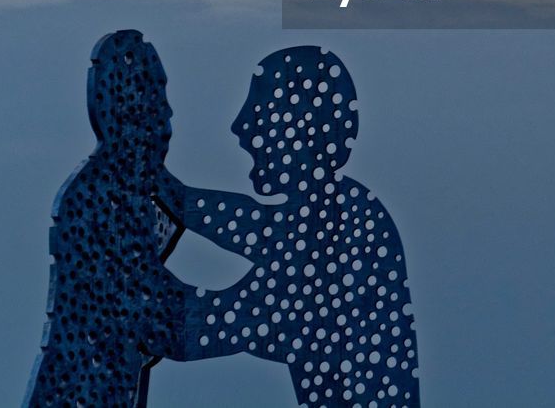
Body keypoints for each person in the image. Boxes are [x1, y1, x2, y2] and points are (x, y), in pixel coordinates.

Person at [159, 46, 421, 407]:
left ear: (301, 127)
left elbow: (204, 326)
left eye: (261, 110)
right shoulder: (347, 216)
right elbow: (256, 227)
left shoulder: (343, 230)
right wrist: (168, 192)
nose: (241, 126)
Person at [23, 31, 247, 408]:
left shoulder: (144, 187)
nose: (167, 114)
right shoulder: (101, 196)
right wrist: (257, 314)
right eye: (156, 97)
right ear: (126, 111)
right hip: (81, 393)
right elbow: (155, 313)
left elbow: (198, 208)